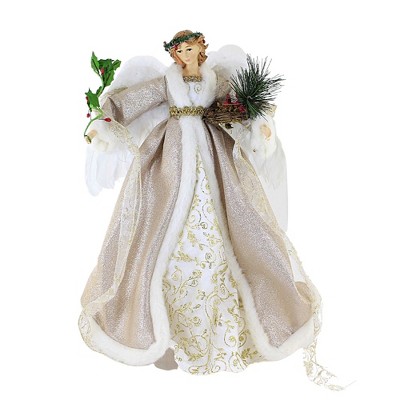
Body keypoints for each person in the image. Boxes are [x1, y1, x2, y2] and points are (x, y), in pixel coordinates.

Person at [79, 30, 334, 386]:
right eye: (179, 51)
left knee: (235, 225)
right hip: (169, 157)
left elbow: (245, 106)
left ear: (202, 49)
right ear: (174, 56)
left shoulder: (217, 81)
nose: (186, 55)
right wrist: (102, 121)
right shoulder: (165, 83)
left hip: (215, 154)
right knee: (154, 229)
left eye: (191, 49)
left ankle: (236, 330)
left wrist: (260, 126)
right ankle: (162, 334)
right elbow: (128, 102)